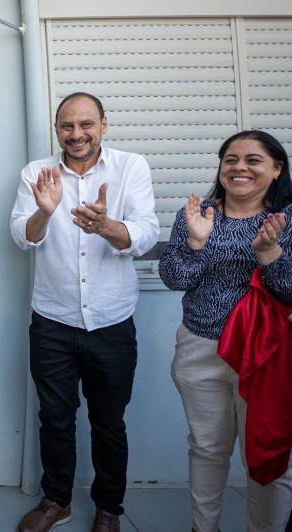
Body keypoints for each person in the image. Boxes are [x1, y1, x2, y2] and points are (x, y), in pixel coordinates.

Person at [9, 92, 160, 532]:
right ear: (57, 130)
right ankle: (57, 500)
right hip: (52, 321)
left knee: (108, 422)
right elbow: (22, 237)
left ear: (103, 125)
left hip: (111, 322)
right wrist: (44, 211)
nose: (76, 135)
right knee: (54, 418)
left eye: (86, 125)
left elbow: (146, 233)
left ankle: (109, 507)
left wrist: (105, 226)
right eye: (67, 126)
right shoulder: (36, 173)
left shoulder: (131, 167)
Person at [159, 130, 292, 532]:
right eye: (230, 159)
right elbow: (173, 276)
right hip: (200, 347)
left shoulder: (286, 220)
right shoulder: (200, 214)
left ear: (276, 169)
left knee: (267, 452)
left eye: (253, 160)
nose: (239, 167)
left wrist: (269, 254)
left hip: (265, 353)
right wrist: (197, 242)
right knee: (207, 448)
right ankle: (205, 528)